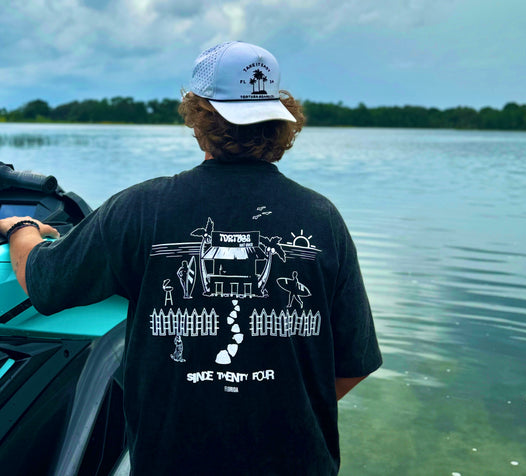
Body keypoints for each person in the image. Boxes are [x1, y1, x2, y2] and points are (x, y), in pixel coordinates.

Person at [0, 41, 382, 475]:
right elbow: (354, 363)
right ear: (278, 119)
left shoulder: (140, 209)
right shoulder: (321, 218)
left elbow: (46, 282)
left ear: (198, 116)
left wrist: (20, 229)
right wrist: (274, 407)